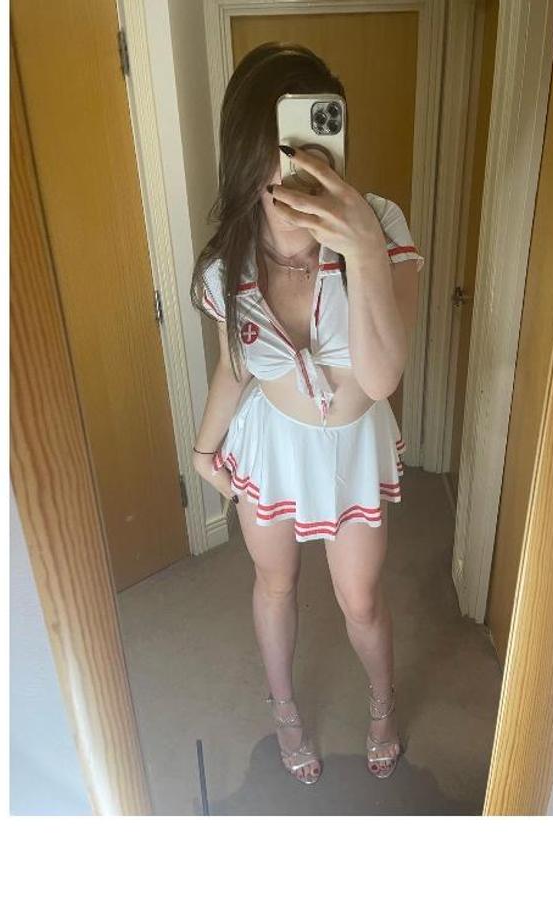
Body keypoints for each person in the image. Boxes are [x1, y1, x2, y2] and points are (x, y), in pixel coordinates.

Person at [190, 43, 424, 785]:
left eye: (308, 139)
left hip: (353, 446)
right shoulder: (227, 264)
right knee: (276, 584)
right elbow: (236, 365)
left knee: (361, 600)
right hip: (272, 446)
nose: (291, 167)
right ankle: (285, 710)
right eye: (274, 145)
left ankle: (382, 706)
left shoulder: (378, 224)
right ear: (244, 155)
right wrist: (204, 448)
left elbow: (381, 377)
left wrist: (360, 248)